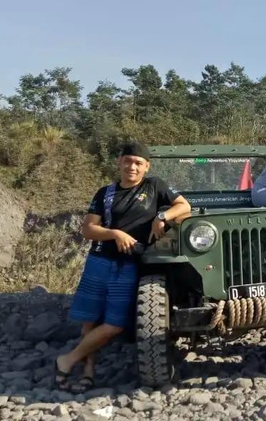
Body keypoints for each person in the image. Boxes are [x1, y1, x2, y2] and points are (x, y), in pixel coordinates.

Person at [54, 142, 191, 392]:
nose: (132, 166)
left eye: (139, 163)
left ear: (146, 166)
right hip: (100, 260)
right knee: (90, 320)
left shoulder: (155, 186)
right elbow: (88, 229)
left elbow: (184, 206)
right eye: (128, 161)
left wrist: (162, 217)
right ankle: (88, 372)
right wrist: (115, 233)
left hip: (130, 264)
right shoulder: (105, 193)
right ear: (119, 162)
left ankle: (67, 359)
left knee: (115, 323)